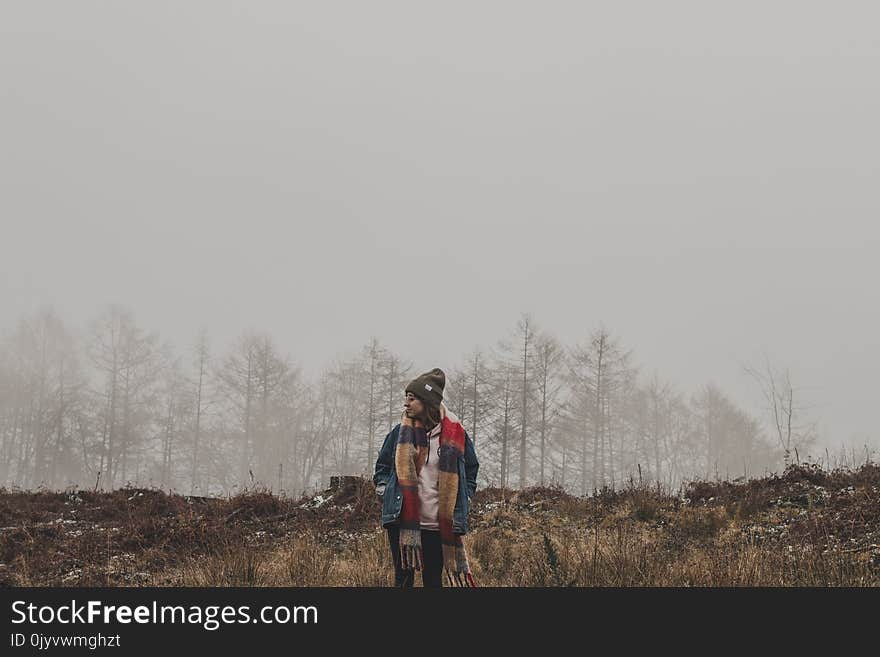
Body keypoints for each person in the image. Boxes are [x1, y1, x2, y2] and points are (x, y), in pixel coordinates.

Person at [373, 367, 479, 587]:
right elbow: (382, 467)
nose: (406, 403)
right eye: (406, 398)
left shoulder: (456, 434)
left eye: (411, 398)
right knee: (403, 581)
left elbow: (471, 468)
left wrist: (464, 496)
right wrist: (386, 491)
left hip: (437, 525)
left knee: (433, 581)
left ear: (427, 401)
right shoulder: (399, 433)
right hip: (403, 521)